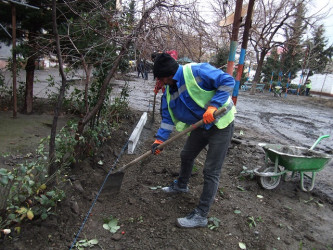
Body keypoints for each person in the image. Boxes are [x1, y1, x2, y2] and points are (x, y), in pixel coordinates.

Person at [151, 53, 236, 228]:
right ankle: (181, 185)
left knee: (211, 170)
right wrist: (159, 140)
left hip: (220, 124)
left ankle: (201, 215)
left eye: (161, 79)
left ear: (168, 76)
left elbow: (228, 81)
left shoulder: (197, 71)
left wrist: (213, 106)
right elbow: (168, 119)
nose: (160, 83)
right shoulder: (168, 91)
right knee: (186, 155)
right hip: (200, 125)